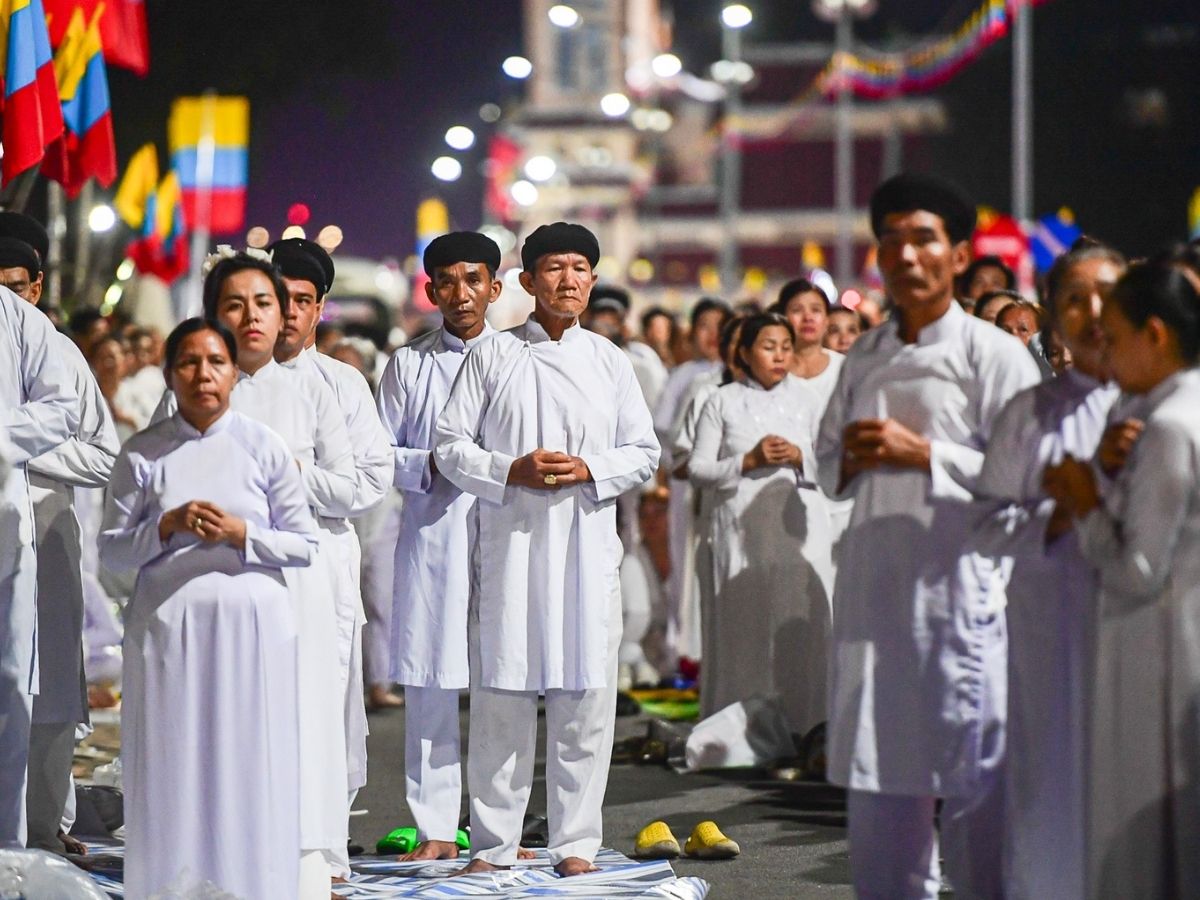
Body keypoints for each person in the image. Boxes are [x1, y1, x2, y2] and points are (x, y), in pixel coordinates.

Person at [816, 173, 1040, 899]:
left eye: (923, 239)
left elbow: (1024, 476)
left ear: (957, 253)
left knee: (972, 771)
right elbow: (826, 464)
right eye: (891, 241)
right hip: (875, 585)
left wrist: (928, 455)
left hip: (960, 590)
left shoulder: (994, 355)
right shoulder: (869, 353)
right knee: (881, 775)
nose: (906, 255)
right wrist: (852, 454)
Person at [434, 222, 659, 877]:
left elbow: (644, 452)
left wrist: (589, 469)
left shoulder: (611, 362)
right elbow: (451, 447)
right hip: (511, 548)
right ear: (527, 281)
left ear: (592, 279)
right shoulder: (491, 356)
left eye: (579, 268)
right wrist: (512, 470)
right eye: (553, 268)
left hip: (587, 553)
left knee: (585, 699)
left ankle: (576, 845)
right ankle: (494, 845)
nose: (568, 280)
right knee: (502, 697)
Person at [155, 250, 357, 895]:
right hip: (210, 577)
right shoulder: (193, 383)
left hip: (295, 577)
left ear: (285, 312)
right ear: (214, 313)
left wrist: (289, 479)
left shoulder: (317, 388)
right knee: (219, 714)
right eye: (234, 305)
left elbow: (351, 487)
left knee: (303, 713)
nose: (251, 318)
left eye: (264, 303)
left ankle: (306, 852)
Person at [101, 318, 318, 899]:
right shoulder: (144, 454)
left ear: (233, 371)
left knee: (249, 760)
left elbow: (304, 544)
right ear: (170, 374)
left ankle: (255, 883)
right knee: (171, 757)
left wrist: (243, 533)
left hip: (252, 629)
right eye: (189, 363)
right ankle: (168, 885)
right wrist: (164, 529)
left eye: (216, 362)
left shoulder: (263, 445)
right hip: (168, 628)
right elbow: (112, 555)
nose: (203, 375)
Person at [1043, 257, 1200, 899]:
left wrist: (1083, 499)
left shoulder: (1168, 426)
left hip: (1156, 650)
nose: (1104, 349)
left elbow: (1137, 569)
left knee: (1148, 845)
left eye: (1115, 333)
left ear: (1155, 334)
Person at [973, 236, 1125, 900]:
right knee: (1051, 793)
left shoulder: (1169, 403)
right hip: (1048, 629)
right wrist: (1057, 516)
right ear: (1053, 315)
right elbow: (984, 522)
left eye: (1108, 297)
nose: (1093, 312)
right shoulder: (1029, 413)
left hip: (1145, 634)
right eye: (1074, 298)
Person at [375, 231, 502, 861]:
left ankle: (496, 827)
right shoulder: (409, 364)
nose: (460, 294)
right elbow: (376, 456)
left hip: (507, 535)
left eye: (472, 280)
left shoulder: (516, 360)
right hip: (433, 534)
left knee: (505, 685)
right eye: (447, 282)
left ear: (494, 287)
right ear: (430, 291)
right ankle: (434, 828)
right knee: (430, 684)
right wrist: (433, 464)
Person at [0, 215, 120, 856]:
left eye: (15, 286)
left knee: (46, 689)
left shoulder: (61, 354)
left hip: (44, 541)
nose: (6, 297)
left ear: (38, 287)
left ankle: (44, 829)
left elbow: (104, 457)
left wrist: (20, 456)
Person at [270, 237, 391, 846]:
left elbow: (369, 483)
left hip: (319, 562)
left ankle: (324, 847)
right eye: (277, 298)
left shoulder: (343, 384)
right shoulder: (220, 373)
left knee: (323, 708)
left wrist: (291, 477)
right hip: (239, 569)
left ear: (320, 308)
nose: (288, 312)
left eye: (302, 300)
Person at [689, 313, 833, 734]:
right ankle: (739, 731)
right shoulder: (721, 400)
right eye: (768, 346)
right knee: (744, 626)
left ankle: (804, 727)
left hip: (795, 531)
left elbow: (833, 464)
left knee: (796, 626)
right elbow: (698, 469)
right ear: (746, 352)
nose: (779, 355)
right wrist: (747, 461)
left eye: (786, 347)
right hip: (738, 528)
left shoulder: (809, 399)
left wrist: (799, 456)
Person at [0, 277, 79, 850]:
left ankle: (6, 849)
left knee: (8, 691)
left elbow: (64, 407)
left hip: (3, 530)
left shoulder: (18, 321)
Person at [653, 297, 731, 669]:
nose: (713, 335)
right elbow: (664, 432)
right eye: (705, 326)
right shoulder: (686, 377)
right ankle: (682, 649)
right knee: (686, 563)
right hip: (688, 486)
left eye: (721, 325)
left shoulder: (738, 377)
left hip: (728, 485)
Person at [769, 278, 844, 412]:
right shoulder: (770, 368)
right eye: (797, 310)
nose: (808, 317)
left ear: (827, 320)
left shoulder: (844, 368)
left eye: (816, 310)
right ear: (783, 317)